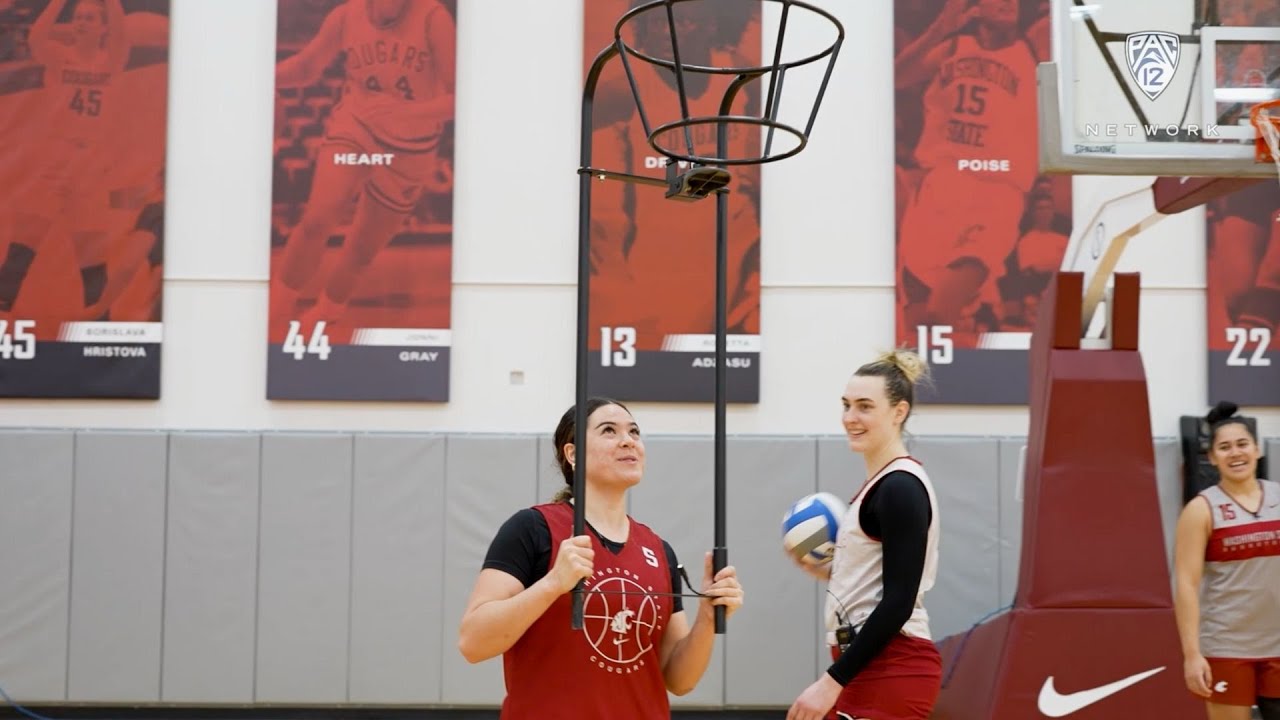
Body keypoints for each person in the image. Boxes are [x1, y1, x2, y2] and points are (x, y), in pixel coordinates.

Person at [457, 397, 745, 719]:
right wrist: (553, 583)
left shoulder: (659, 550)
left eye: (634, 432)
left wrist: (707, 616)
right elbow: (473, 642)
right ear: (573, 454)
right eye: (609, 430)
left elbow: (678, 680)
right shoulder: (533, 529)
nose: (628, 440)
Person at [272, 0, 455, 337]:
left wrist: (406, 114)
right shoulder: (346, 16)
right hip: (356, 126)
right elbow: (307, 67)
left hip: (412, 146)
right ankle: (277, 307)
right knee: (318, 218)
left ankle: (328, 310)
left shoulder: (434, 19)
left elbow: (461, 98)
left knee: (361, 248)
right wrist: (259, 81)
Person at [787, 349, 941, 720]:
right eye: (846, 405)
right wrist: (834, 571)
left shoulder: (900, 487)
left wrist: (830, 683)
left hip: (892, 664)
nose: (850, 418)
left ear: (898, 412)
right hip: (871, 664)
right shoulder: (882, 485)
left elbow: (899, 601)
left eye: (864, 407)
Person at [894, 0, 1040, 342]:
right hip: (942, 181)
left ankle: (957, 359)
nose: (1009, 4)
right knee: (914, 312)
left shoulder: (1036, 50)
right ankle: (950, 358)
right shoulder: (952, 47)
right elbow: (897, 78)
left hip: (998, 184)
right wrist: (939, 29)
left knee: (941, 308)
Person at [1173, 401, 1280, 720]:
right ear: (1212, 457)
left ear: (1257, 450)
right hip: (1227, 647)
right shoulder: (1201, 510)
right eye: (1224, 447)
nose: (1235, 453)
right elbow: (1186, 586)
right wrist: (1192, 655)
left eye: (1242, 444)